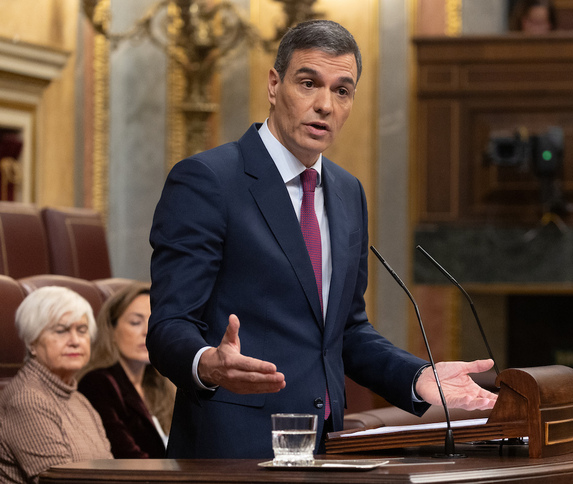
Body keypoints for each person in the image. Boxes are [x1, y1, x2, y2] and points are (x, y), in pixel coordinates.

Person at [147, 19, 498, 460]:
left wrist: (416, 377)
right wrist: (206, 363)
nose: (324, 105)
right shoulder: (209, 180)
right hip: (231, 449)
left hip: (325, 450)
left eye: (341, 90)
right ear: (274, 85)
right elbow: (168, 326)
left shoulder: (348, 192)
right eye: (308, 83)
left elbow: (346, 331)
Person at [0, 286, 112, 483]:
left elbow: (111, 470)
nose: (75, 341)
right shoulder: (28, 400)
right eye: (61, 331)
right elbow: (61, 482)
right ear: (31, 342)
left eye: (82, 330)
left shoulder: (79, 398)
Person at [78, 282, 175, 458]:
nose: (147, 331)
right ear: (111, 330)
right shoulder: (98, 383)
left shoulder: (160, 382)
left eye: (153, 323)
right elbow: (125, 456)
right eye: (135, 322)